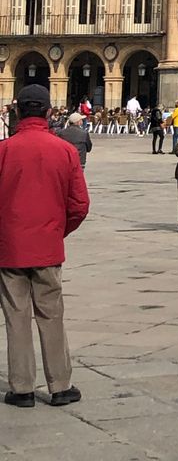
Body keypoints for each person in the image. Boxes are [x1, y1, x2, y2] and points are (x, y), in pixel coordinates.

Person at [0, 84, 89, 407]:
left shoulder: (3, 151)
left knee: (16, 318)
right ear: (49, 113)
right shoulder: (64, 151)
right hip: (48, 249)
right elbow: (79, 205)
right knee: (52, 316)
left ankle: (22, 388)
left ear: (18, 112)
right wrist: (56, 231)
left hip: (9, 251)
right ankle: (60, 385)